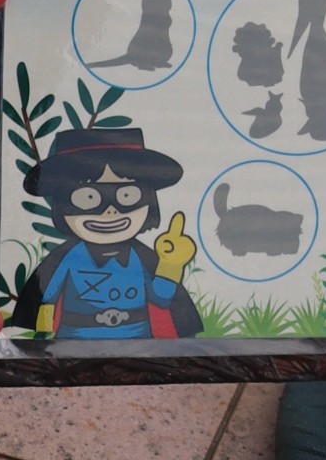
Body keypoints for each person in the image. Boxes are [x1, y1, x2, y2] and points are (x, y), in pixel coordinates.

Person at [10, 126, 203, 342]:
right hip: (74, 342)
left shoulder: (143, 259)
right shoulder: (68, 258)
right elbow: (46, 295)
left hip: (139, 343)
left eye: (127, 196)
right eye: (89, 198)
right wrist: (42, 337)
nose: (110, 211)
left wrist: (171, 264)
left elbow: (162, 297)